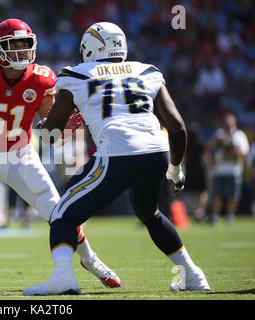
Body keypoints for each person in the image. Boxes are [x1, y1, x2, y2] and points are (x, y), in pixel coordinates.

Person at [0, 19, 120, 292]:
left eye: (25, 44)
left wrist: (65, 130)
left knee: (60, 214)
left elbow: (50, 132)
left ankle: (92, 261)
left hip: (20, 155)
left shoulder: (42, 78)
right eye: (14, 45)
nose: (22, 51)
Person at [24, 22, 211, 296]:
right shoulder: (146, 71)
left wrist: (42, 128)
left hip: (118, 152)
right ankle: (192, 274)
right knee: (149, 213)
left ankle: (63, 277)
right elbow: (177, 127)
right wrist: (174, 167)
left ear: (89, 48)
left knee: (62, 214)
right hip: (156, 152)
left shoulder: (75, 74)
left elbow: (52, 134)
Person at [206, 111, 250, 226]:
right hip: (219, 170)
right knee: (217, 194)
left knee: (233, 196)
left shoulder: (239, 135)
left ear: (234, 122)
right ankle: (215, 216)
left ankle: (230, 216)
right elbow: (208, 147)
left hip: (233, 170)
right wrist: (217, 140)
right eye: (225, 121)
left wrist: (231, 148)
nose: (227, 123)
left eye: (229, 121)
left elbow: (245, 152)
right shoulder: (219, 134)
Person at [184, 123, 210, 221]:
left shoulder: (186, 146)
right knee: (203, 191)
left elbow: (183, 159)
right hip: (200, 170)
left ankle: (193, 211)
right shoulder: (201, 144)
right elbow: (206, 158)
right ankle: (200, 210)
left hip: (190, 170)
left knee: (191, 192)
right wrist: (209, 170)